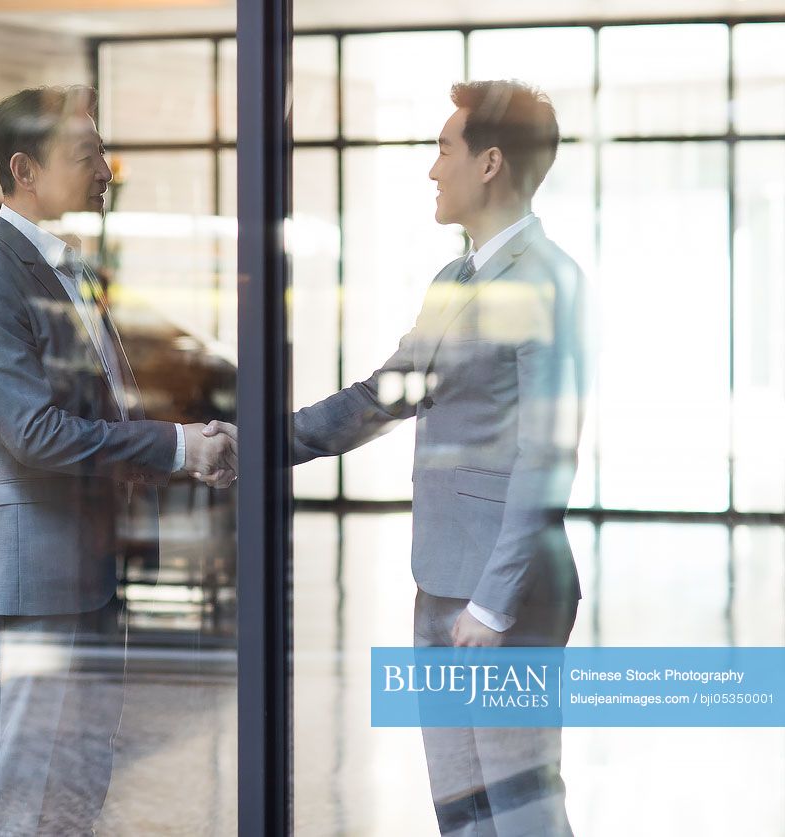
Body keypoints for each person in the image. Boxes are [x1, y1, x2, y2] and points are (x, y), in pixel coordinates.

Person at [208, 80, 587, 835]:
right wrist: (251, 446)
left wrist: (490, 603)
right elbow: (380, 396)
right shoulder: (452, 280)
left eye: (443, 149)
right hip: (438, 583)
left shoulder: (549, 279)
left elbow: (547, 457)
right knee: (461, 807)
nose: (430, 169)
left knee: (522, 807)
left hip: (500, 598)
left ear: (487, 164)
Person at [0, 85, 237, 836]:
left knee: (76, 797)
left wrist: (148, 451)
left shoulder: (69, 269)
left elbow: (97, 408)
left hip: (88, 574)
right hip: (32, 585)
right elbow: (37, 434)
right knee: (16, 806)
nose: (106, 168)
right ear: (24, 170)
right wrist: (173, 446)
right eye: (85, 154)